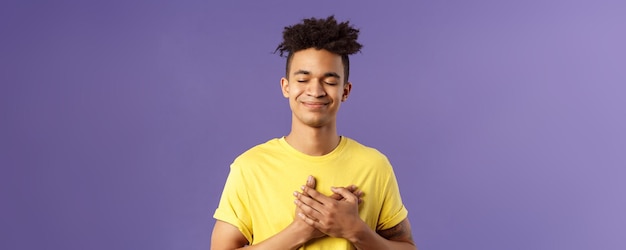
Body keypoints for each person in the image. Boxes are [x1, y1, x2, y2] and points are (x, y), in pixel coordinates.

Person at [211, 16, 416, 250]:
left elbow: (407, 246)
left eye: (329, 81)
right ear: (286, 86)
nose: (315, 90)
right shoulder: (249, 168)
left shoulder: (375, 166)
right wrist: (301, 230)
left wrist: (355, 230)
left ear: (345, 91)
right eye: (303, 79)